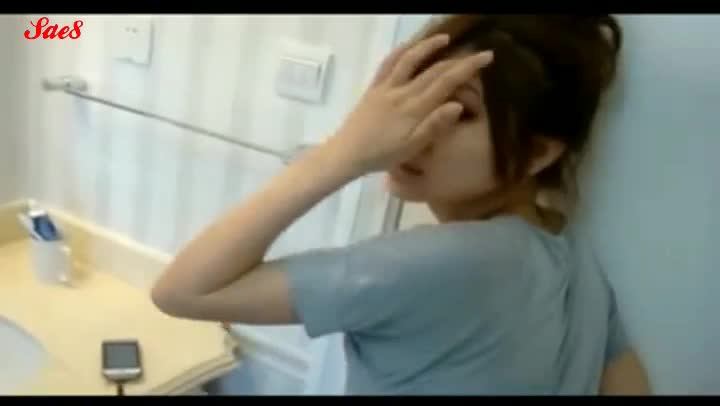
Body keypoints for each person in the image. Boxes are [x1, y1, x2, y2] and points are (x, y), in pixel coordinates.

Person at [151, 14, 651, 395]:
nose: (416, 127)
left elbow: (185, 291)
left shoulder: (443, 263)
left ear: (538, 153)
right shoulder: (576, 258)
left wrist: (342, 152)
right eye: (417, 93)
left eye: (461, 111)